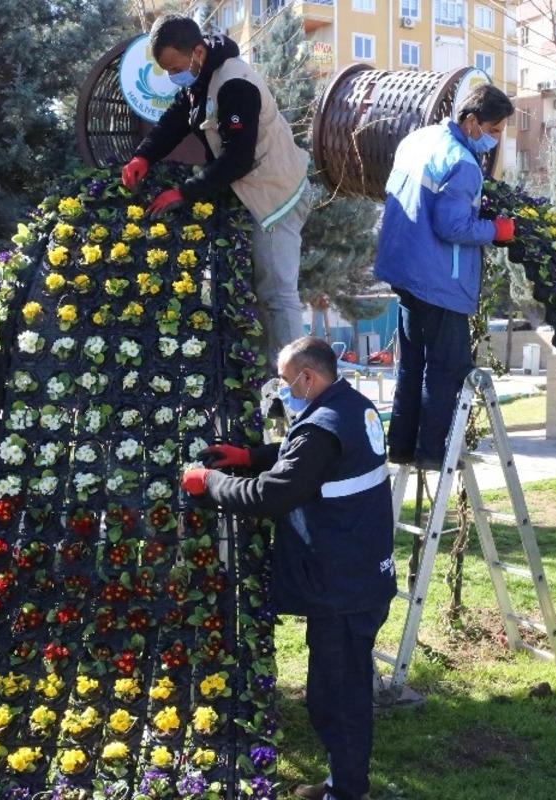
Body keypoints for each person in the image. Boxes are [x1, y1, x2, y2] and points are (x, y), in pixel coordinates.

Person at [181, 336, 395, 800]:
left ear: (308, 377)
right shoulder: (352, 407)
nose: (284, 390)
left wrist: (211, 481)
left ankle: (346, 792)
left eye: (286, 380)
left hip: (343, 586)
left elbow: (271, 495)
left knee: (336, 697)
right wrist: (249, 457)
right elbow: (304, 459)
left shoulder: (322, 426)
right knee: (343, 688)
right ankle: (343, 782)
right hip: (362, 575)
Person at [122, 13, 310, 358]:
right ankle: (268, 384)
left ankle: (296, 388)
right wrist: (143, 157)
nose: (171, 75)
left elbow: (238, 159)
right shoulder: (200, 75)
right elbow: (177, 118)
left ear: (197, 51)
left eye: (174, 67)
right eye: (165, 69)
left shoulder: (235, 85)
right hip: (248, 190)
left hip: (275, 195)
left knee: (277, 294)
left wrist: (185, 192)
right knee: (257, 294)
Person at [373, 84, 516, 471]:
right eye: (495, 129)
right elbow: (452, 226)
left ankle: (401, 445)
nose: (495, 139)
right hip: (440, 281)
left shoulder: (419, 140)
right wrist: (496, 230)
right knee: (445, 368)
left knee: (412, 363)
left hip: (404, 271)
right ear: (471, 122)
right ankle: (432, 452)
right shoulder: (464, 164)